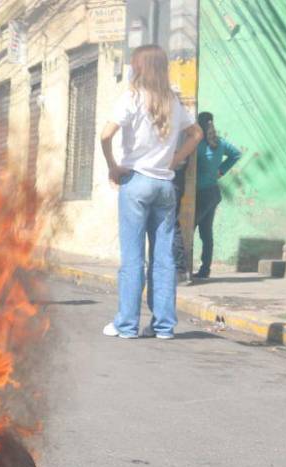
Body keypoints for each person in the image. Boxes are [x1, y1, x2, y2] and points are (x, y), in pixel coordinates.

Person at [99, 44, 202, 340]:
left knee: (132, 259)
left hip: (136, 182)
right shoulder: (173, 101)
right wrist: (175, 159)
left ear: (140, 67)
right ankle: (164, 326)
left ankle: (126, 325)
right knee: (164, 258)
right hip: (164, 185)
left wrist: (113, 166)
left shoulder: (131, 98)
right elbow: (195, 134)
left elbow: (106, 134)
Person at [192, 111, 241, 281]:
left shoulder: (197, 144)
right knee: (206, 233)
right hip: (213, 193)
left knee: (186, 229)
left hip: (200, 194)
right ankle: (205, 269)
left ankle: (182, 268)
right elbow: (236, 153)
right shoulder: (219, 143)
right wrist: (221, 170)